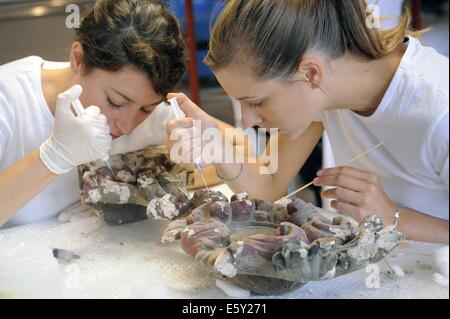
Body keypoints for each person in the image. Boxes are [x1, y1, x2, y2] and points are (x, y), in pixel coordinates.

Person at [166, 0, 449, 244]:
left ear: (311, 73)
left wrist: (393, 217)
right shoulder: (327, 90)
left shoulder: (439, 108)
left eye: (257, 101)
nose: (248, 119)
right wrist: (218, 145)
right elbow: (268, 185)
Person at [0, 0, 187, 227]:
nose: (127, 126)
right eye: (115, 102)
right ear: (78, 59)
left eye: (146, 109)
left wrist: (209, 146)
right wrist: (52, 158)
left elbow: (236, 146)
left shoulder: (152, 111)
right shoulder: (8, 100)